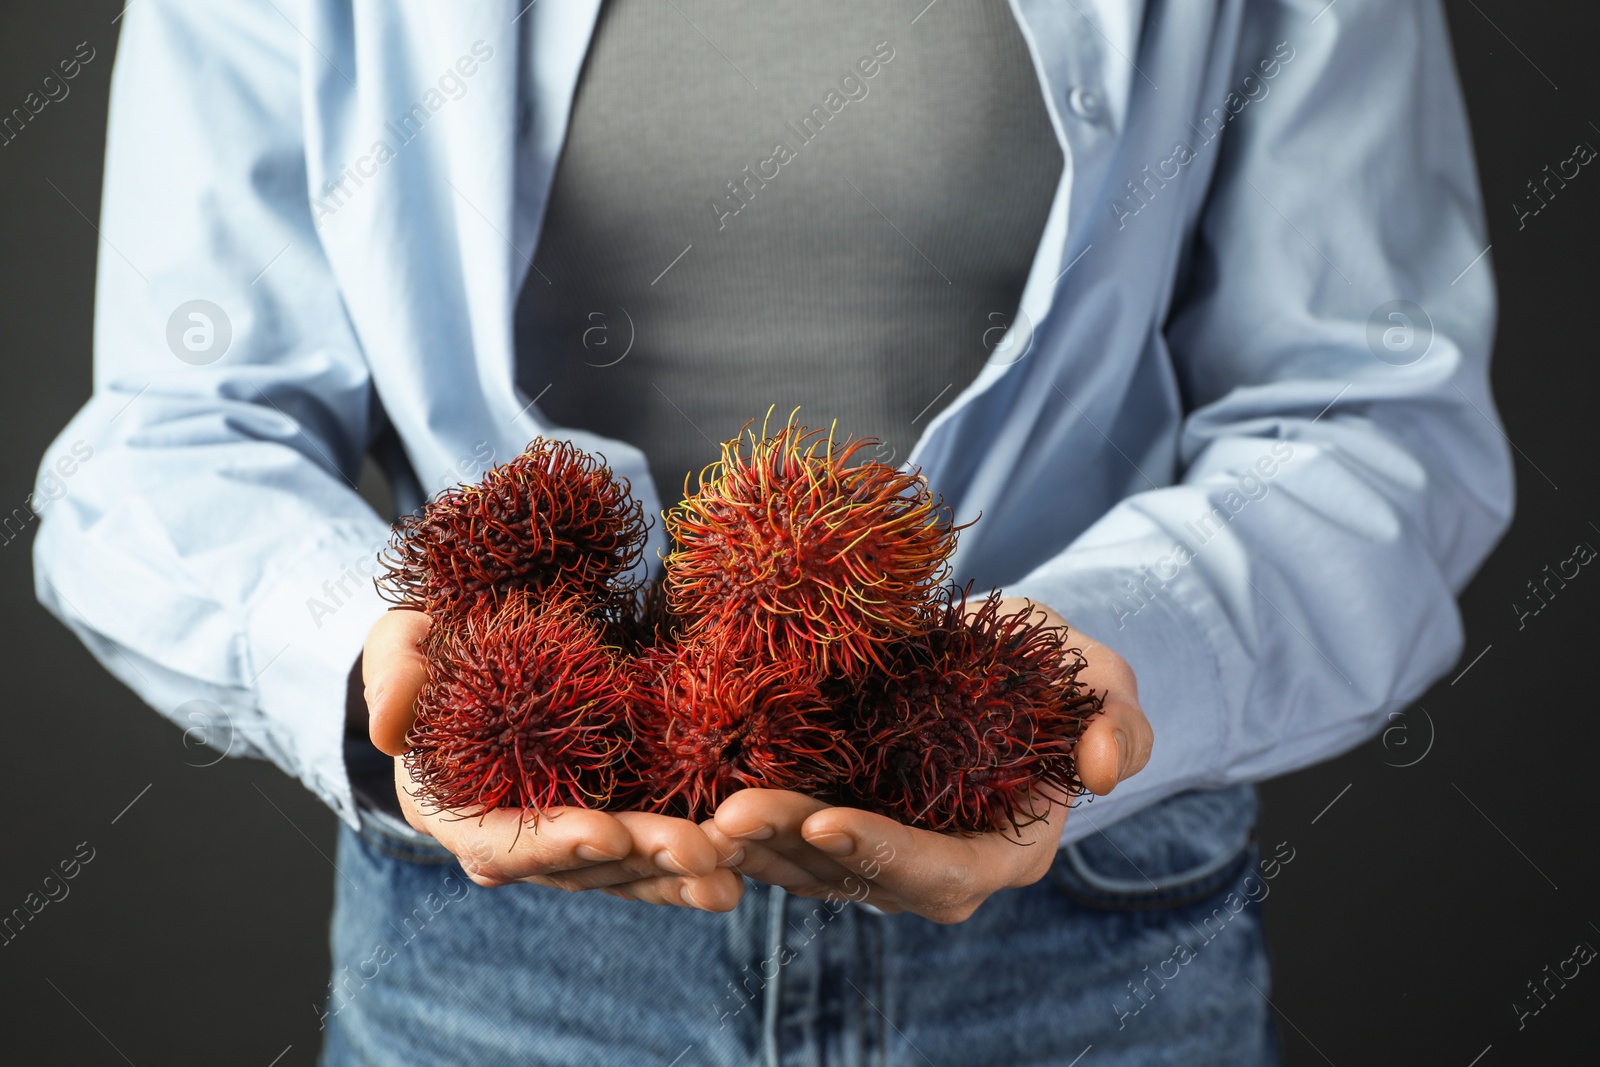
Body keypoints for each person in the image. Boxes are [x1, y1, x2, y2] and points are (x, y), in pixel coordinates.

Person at [34, 0, 1510, 1063]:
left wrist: (1109, 664)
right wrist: (378, 674)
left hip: (1094, 928)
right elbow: (178, 430)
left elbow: (1371, 410)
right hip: (496, 955)